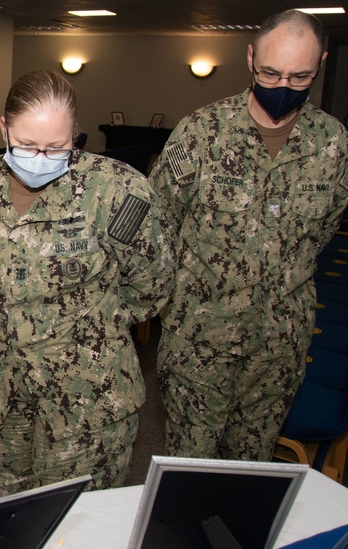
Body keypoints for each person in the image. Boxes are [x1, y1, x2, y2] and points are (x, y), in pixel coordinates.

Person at [0, 69, 175, 500]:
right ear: (4, 127)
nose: (40, 157)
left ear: (75, 134)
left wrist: (84, 328)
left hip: (85, 394)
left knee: (76, 525)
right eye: (26, 145)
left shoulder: (119, 190)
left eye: (57, 147)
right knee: (1, 517)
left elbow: (151, 285)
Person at [149, 9, 348, 461]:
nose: (283, 87)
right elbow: (159, 226)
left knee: (251, 468)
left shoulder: (333, 143)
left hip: (279, 344)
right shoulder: (201, 133)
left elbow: (322, 230)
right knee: (189, 468)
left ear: (321, 66)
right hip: (200, 340)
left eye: (300, 77)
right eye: (271, 72)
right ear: (251, 57)